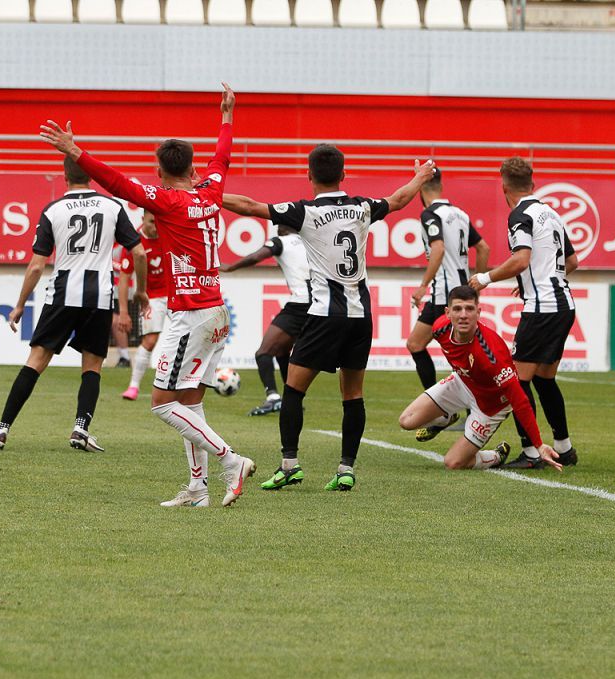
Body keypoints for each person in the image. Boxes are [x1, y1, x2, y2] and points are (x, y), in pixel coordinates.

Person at [38, 83, 257, 508]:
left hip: (190, 313)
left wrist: (76, 151)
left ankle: (232, 460)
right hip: (215, 310)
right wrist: (227, 116)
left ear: (159, 171)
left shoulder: (167, 201)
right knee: (191, 403)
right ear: (193, 168)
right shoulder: (210, 190)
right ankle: (198, 487)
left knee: (160, 404)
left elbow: (117, 183)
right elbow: (223, 156)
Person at [224, 145, 436, 492]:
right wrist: (420, 177)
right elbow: (398, 200)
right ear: (344, 174)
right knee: (353, 395)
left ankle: (289, 465)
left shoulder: (304, 212)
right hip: (360, 316)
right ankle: (346, 468)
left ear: (309, 176)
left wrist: (207, 193)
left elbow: (249, 206)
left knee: (293, 389)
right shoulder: (361, 207)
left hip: (324, 315)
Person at [0, 157, 148, 453]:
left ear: (64, 176)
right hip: (99, 297)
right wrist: (142, 292)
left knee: (36, 360)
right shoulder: (112, 207)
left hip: (62, 295)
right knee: (93, 365)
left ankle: (1, 430)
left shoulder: (53, 209)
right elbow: (140, 253)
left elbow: (36, 266)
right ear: (92, 175)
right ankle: (81, 428)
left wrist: (20, 304)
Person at [469, 156, 579, 469]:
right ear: (532, 184)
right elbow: (572, 262)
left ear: (504, 187)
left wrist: (484, 278)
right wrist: (537, 282)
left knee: (516, 381)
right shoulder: (552, 214)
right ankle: (564, 448)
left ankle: (532, 452)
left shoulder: (520, 215)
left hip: (543, 309)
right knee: (545, 379)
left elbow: (521, 259)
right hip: (563, 305)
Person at [398, 286, 562, 471]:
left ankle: (495, 456)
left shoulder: (491, 353)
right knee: (406, 420)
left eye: (469, 309)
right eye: (457, 309)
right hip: (462, 383)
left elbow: (520, 400)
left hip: (491, 406)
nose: (463, 315)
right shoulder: (439, 328)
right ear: (448, 312)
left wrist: (539, 445)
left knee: (453, 463)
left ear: (479, 312)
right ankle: (446, 417)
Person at [408, 167, 490, 399]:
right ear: (441, 186)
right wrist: (477, 282)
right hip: (462, 291)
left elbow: (438, 248)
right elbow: (484, 248)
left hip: (444, 295)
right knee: (460, 351)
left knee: (418, 345)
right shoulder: (460, 214)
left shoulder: (430, 215)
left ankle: (439, 408)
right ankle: (455, 407)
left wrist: (423, 284)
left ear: (420, 189)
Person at [219, 225, 310, 416]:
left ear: (284, 226)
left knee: (263, 353)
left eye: (278, 223)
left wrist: (231, 267)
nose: (276, 227)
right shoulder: (309, 241)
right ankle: (292, 400)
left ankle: (273, 398)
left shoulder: (280, 242)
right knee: (283, 351)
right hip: (319, 305)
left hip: (300, 304)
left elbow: (255, 257)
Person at [117, 212, 168, 400]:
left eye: (159, 222)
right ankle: (133, 386)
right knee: (150, 340)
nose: (156, 227)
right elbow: (124, 279)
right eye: (152, 222)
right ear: (143, 220)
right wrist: (123, 311)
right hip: (151, 297)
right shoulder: (134, 243)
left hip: (176, 294)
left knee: (189, 338)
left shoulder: (169, 234)